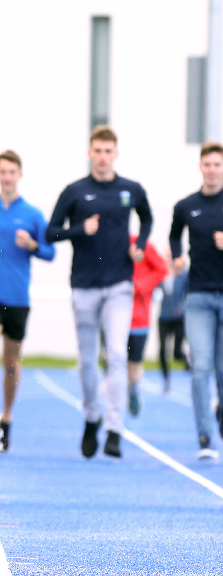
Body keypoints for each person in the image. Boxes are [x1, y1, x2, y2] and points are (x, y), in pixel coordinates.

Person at [46, 126, 153, 459]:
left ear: (115, 154)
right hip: (84, 286)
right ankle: (92, 417)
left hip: (119, 285)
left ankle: (114, 429)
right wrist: (80, 230)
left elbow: (147, 219)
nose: (103, 157)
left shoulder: (131, 189)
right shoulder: (75, 191)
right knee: (88, 362)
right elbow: (51, 232)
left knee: (117, 355)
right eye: (98, 151)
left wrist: (141, 245)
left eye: (109, 151)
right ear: (90, 153)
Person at [0, 150, 55, 453]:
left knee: (12, 362)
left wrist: (32, 245)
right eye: (2, 171)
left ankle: (7, 418)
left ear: (19, 175)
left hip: (18, 296)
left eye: (11, 172)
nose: (7, 177)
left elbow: (49, 252)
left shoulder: (32, 214)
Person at [169, 141, 223, 460]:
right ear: (201, 167)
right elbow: (174, 235)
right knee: (200, 367)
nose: (212, 169)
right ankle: (204, 435)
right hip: (199, 297)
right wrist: (176, 257)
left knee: (221, 369)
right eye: (208, 164)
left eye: (218, 164)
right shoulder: (186, 205)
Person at [126, 236, 167, 416]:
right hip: (110, 316)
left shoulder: (141, 244)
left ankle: (133, 389)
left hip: (138, 319)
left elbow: (162, 269)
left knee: (134, 363)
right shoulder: (107, 242)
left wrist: (142, 285)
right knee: (112, 361)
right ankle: (115, 399)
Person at [158, 256, 190, 392]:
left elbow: (189, 294)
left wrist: (182, 308)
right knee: (163, 350)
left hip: (178, 318)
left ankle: (188, 362)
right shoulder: (163, 274)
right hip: (164, 317)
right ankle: (166, 380)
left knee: (177, 352)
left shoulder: (184, 275)